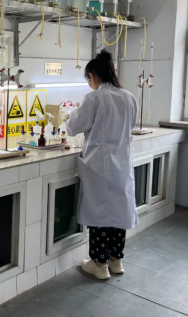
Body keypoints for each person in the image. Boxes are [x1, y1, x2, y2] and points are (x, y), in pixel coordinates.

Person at [65, 50, 138, 280]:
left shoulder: (94, 98)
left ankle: (99, 264)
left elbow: (73, 126)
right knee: (118, 213)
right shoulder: (128, 97)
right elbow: (130, 126)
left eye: (88, 79)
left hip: (100, 166)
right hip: (122, 164)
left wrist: (68, 116)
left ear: (92, 76)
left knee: (100, 216)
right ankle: (116, 260)